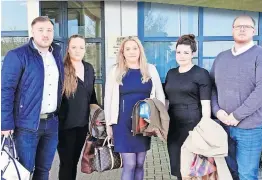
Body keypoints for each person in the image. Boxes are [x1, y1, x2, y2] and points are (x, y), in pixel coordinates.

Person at [1, 16, 64, 180]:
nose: (45, 34)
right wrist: (5, 123)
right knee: (22, 172)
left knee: (44, 170)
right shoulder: (17, 55)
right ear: (32, 32)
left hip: (51, 124)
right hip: (26, 125)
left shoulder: (56, 54)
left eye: (49, 30)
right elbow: (6, 91)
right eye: (41, 30)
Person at [210, 15, 262, 180]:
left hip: (250, 128)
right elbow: (212, 88)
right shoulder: (221, 58)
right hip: (223, 126)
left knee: (246, 175)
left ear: (254, 31)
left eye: (247, 26)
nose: (242, 29)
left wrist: (237, 115)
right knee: (227, 173)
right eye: (238, 26)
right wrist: (217, 111)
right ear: (232, 30)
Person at [104, 36, 165, 180]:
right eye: (128, 49)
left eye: (135, 48)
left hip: (144, 123)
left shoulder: (150, 69)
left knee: (139, 163)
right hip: (122, 123)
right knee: (129, 164)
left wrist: (158, 119)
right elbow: (108, 99)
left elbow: (160, 96)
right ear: (122, 52)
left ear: (140, 50)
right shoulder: (116, 70)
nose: (131, 52)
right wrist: (108, 124)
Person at [164, 34, 212, 180]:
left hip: (193, 126)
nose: (182, 56)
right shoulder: (171, 73)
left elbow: (206, 104)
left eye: (186, 52)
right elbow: (167, 101)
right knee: (178, 168)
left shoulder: (201, 74)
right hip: (173, 127)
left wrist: (204, 129)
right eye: (179, 52)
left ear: (193, 54)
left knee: (193, 169)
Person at [57, 34, 98, 180]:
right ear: (68, 49)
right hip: (64, 126)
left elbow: (92, 96)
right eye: (74, 47)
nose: (77, 50)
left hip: (82, 125)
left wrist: (98, 117)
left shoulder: (88, 68)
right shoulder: (61, 69)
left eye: (81, 47)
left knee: (74, 162)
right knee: (66, 163)